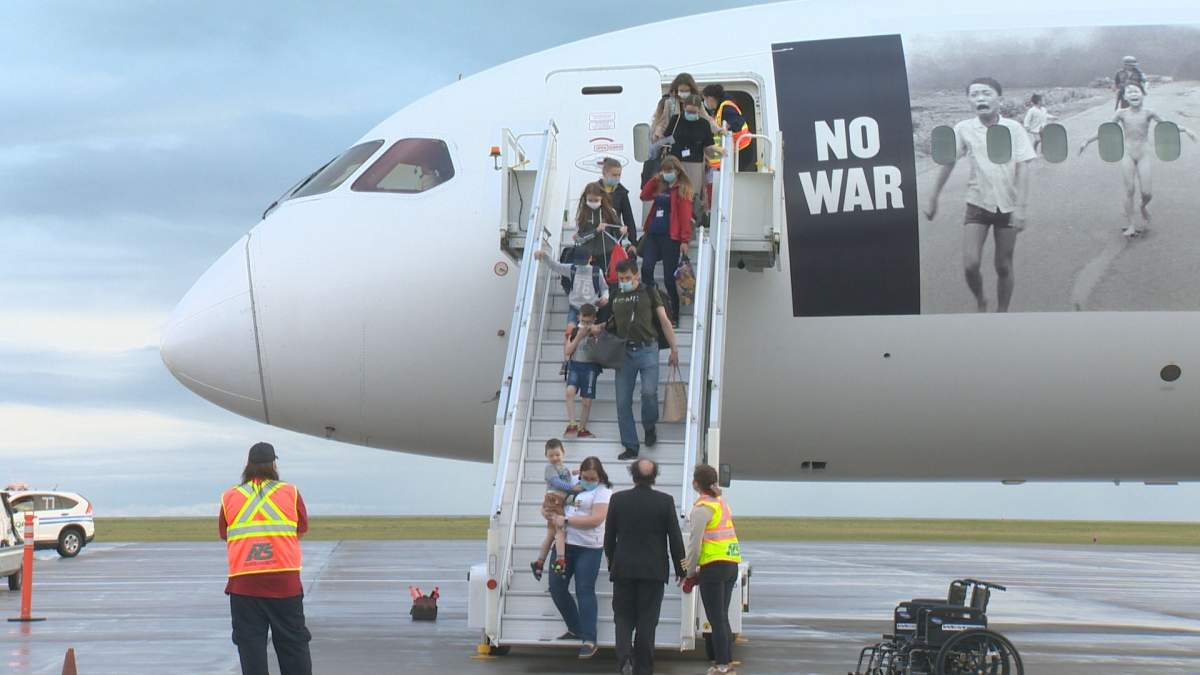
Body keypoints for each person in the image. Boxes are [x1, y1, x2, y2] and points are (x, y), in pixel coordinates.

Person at [923, 77, 1036, 313]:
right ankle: (981, 299)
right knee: (970, 264)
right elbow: (948, 162)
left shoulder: (1014, 129)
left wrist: (1022, 209)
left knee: (1003, 266)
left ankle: (1002, 312)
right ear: (969, 101)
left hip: (1008, 206)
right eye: (974, 95)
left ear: (1000, 99)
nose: (980, 98)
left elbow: (1024, 166)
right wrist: (933, 196)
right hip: (977, 204)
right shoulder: (963, 128)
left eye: (986, 93)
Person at [219, 442, 312, 675]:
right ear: (273, 465)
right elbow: (301, 529)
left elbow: (225, 534)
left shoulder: (230, 496)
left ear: (248, 465)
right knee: (293, 647)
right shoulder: (290, 492)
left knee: (251, 652)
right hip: (285, 584)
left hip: (244, 586)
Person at [1079, 83, 1197, 237]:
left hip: (1143, 154)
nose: (1133, 94)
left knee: (1147, 193)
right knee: (1129, 190)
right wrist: (1087, 141)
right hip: (1127, 154)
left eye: (1136, 91)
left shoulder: (1149, 112)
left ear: (1142, 94)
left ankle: (1143, 207)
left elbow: (1166, 125)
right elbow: (1105, 129)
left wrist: (1186, 129)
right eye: (1129, 92)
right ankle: (1131, 225)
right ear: (1125, 97)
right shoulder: (1121, 113)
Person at [604, 459, 686, 675]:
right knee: (647, 620)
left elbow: (609, 537)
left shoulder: (618, 499)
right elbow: (675, 539)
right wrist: (681, 569)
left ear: (633, 475)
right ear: (655, 476)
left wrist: (612, 562)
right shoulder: (665, 501)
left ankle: (624, 659)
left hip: (623, 569)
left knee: (622, 617)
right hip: (653, 571)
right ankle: (643, 667)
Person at [608, 259, 680, 461]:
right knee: (622, 402)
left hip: (648, 349)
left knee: (649, 392)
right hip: (624, 352)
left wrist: (674, 348)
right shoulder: (616, 294)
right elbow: (610, 321)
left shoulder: (648, 292)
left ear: (636, 276)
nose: (624, 282)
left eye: (627, 278)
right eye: (621, 278)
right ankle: (630, 445)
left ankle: (649, 426)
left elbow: (664, 321)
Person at [548, 456, 614, 659]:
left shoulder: (603, 491)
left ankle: (589, 639)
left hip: (589, 548)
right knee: (557, 587)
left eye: (592, 478)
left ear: (600, 476)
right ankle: (575, 627)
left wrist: (566, 519)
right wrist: (576, 474)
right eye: (585, 476)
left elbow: (596, 519)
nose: (587, 480)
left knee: (584, 590)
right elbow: (564, 476)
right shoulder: (576, 481)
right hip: (564, 545)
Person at [683, 465, 742, 675]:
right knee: (722, 617)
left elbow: (694, 544)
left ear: (696, 484)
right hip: (730, 564)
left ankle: (723, 665)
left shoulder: (702, 508)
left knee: (716, 619)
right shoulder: (722, 504)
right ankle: (726, 661)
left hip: (713, 566)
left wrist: (689, 572)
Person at [638, 156, 695, 327]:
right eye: (664, 171)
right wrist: (655, 178)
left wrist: (685, 240)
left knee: (670, 278)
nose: (666, 174)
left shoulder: (682, 189)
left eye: (670, 171)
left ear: (677, 171)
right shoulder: (660, 185)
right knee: (646, 268)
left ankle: (674, 314)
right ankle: (653, 302)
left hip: (670, 238)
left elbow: (685, 216)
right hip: (654, 234)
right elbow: (644, 195)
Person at [531, 439, 582, 580]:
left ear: (563, 453)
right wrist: (573, 488)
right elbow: (557, 483)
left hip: (561, 501)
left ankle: (539, 562)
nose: (554, 458)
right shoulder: (549, 469)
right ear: (546, 456)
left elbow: (568, 489)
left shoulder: (565, 469)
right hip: (553, 500)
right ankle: (560, 562)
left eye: (557, 455)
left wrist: (578, 475)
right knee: (561, 532)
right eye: (551, 455)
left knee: (550, 534)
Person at [535, 246, 608, 334]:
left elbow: (604, 288)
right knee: (569, 332)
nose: (581, 265)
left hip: (590, 309)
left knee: (588, 333)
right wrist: (545, 255)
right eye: (579, 263)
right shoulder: (572, 268)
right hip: (574, 307)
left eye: (583, 263)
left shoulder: (596, 271)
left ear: (590, 258)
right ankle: (569, 346)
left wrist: (605, 297)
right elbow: (555, 266)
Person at [562, 304, 605, 438]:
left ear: (594, 319)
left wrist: (596, 334)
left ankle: (582, 428)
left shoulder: (597, 332)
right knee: (570, 391)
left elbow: (602, 353)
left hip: (590, 368)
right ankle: (572, 423)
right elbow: (568, 351)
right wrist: (579, 336)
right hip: (575, 365)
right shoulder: (575, 331)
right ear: (578, 317)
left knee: (586, 401)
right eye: (583, 321)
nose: (585, 325)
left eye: (589, 322)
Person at [664, 95, 715, 200]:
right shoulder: (676, 120)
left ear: (699, 110)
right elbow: (666, 138)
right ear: (684, 107)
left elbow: (708, 144)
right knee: (674, 195)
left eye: (694, 112)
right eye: (689, 111)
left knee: (692, 196)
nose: (691, 114)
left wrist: (716, 151)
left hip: (695, 165)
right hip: (675, 163)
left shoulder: (704, 124)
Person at [573, 182, 621, 267]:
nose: (593, 203)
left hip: (607, 253)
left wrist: (622, 231)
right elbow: (579, 238)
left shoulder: (610, 211)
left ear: (602, 198)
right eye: (590, 200)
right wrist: (596, 231)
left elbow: (618, 233)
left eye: (596, 200)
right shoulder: (582, 214)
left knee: (605, 278)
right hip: (588, 256)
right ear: (585, 198)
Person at [597, 157, 638, 254]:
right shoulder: (595, 189)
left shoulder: (621, 192)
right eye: (614, 175)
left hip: (614, 237)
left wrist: (633, 242)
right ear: (604, 173)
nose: (617, 178)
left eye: (619, 175)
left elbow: (628, 218)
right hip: (597, 236)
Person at [651, 73, 700, 143]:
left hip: (693, 140)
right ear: (676, 90)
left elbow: (706, 118)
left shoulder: (697, 103)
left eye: (686, 91)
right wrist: (658, 131)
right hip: (675, 142)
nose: (684, 94)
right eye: (681, 91)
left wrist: (718, 129)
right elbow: (664, 121)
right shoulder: (670, 103)